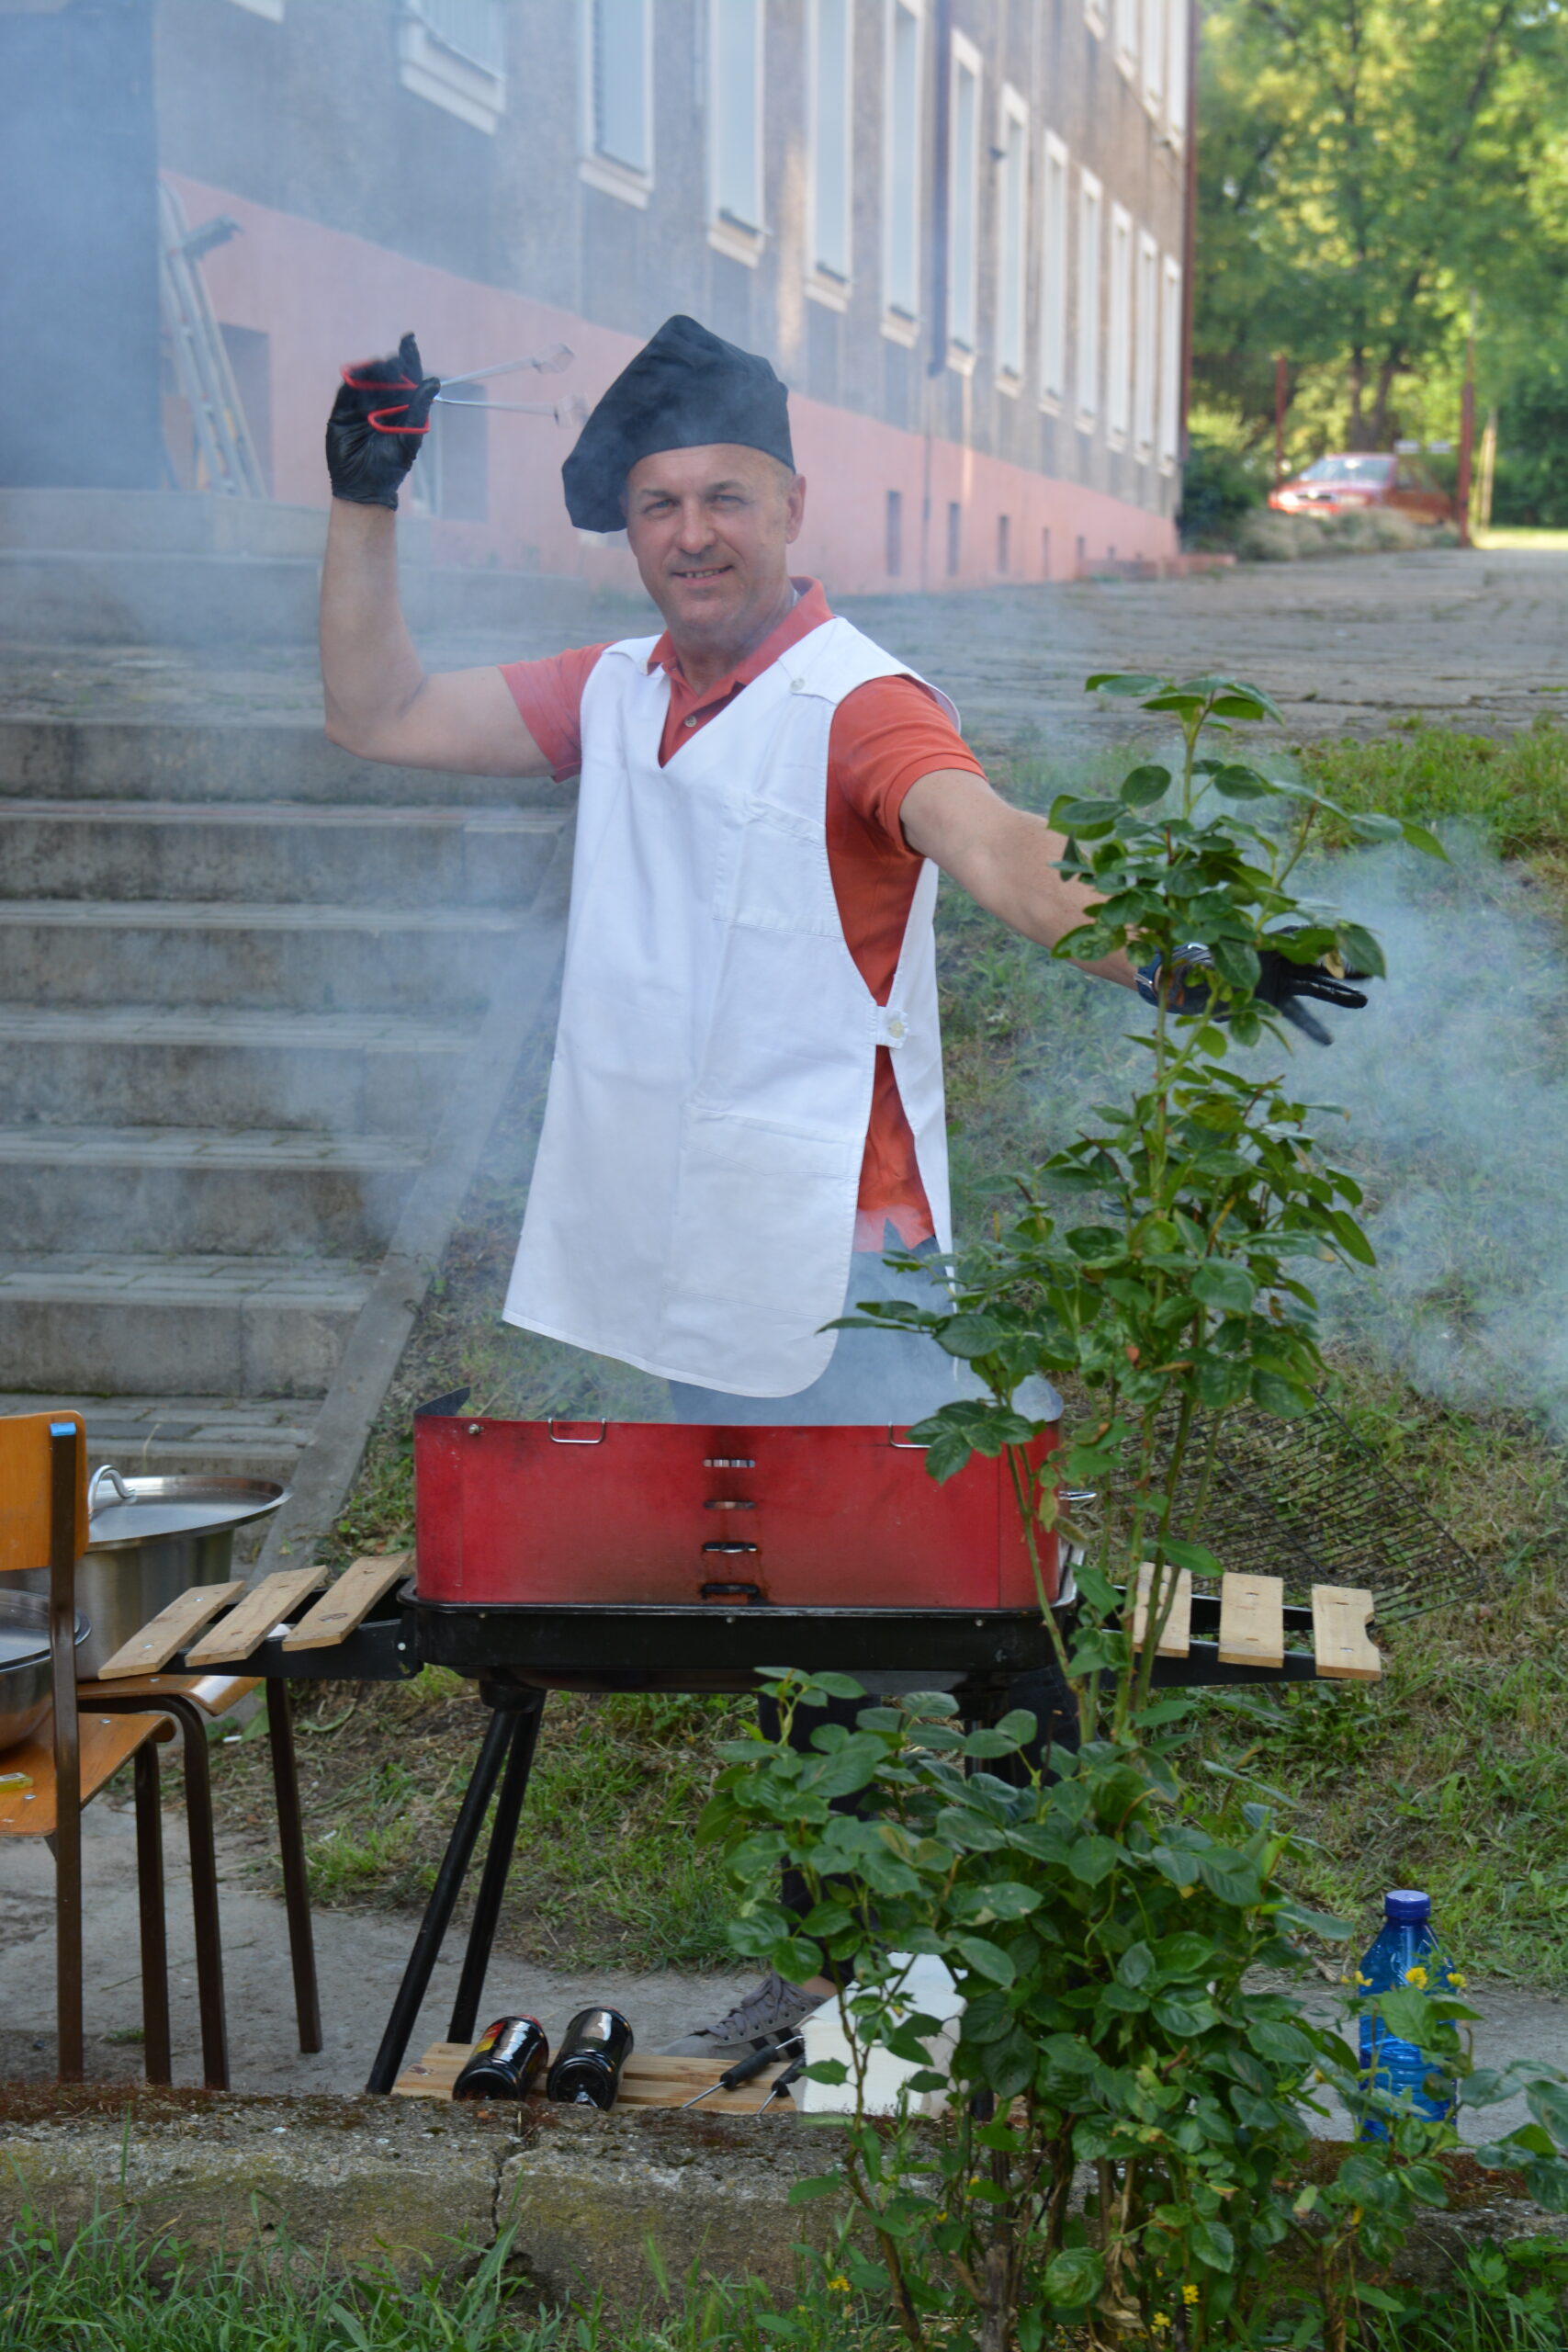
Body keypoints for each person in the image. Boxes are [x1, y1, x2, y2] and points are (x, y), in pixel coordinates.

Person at [320, 316, 1369, 2062]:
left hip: (858, 1262)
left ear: (794, 506)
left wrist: (1170, 941)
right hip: (696, 1255)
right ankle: (844, 1990)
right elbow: (376, 715)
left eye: (726, 497)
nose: (694, 533)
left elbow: (992, 844)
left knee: (973, 1639)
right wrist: (368, 502)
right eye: (661, 505)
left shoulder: (858, 701)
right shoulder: (615, 690)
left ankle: (1037, 1999)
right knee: (794, 1642)